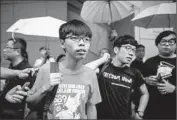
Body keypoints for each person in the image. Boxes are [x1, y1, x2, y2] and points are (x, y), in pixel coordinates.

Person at [26, 19, 101, 119]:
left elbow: (91, 107)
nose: (82, 43)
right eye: (75, 38)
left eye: (86, 39)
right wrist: (45, 88)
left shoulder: (90, 74)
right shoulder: (50, 69)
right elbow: (30, 103)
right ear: (62, 43)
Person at [96, 35, 149, 119]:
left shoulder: (134, 73)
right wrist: (103, 59)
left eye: (133, 50)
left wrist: (140, 112)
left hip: (124, 117)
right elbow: (85, 70)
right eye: (128, 48)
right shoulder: (103, 67)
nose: (131, 53)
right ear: (116, 50)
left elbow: (145, 93)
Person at [143, 30, 176, 119]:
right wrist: (145, 80)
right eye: (163, 41)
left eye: (171, 41)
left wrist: (174, 89)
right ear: (157, 44)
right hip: (151, 112)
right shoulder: (148, 62)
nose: (167, 44)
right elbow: (138, 85)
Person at [0, 37, 35, 119]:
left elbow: (25, 102)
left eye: (7, 47)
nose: (4, 50)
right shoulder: (12, 67)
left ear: (17, 51)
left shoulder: (27, 71)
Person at [130, 44, 146, 112]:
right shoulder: (133, 65)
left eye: (143, 51)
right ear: (135, 52)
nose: (141, 52)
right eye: (139, 50)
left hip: (145, 92)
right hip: (136, 92)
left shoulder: (145, 64)